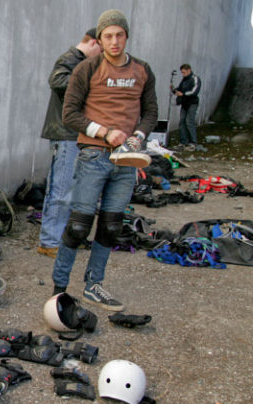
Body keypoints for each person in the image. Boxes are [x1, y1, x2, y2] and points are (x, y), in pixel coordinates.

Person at [52, 9, 158, 311]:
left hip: (127, 160)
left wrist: (137, 136)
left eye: (119, 35)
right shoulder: (87, 69)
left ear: (126, 36)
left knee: (111, 226)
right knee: (78, 225)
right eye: (108, 36)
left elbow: (150, 112)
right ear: (100, 38)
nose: (114, 41)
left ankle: (93, 285)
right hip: (94, 155)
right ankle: (59, 288)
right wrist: (105, 132)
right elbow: (69, 114)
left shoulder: (142, 70)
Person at [38, 28, 103, 258]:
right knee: (61, 190)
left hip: (75, 135)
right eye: (102, 50)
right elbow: (56, 81)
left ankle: (62, 239)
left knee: (72, 192)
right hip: (65, 136)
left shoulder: (80, 62)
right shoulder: (70, 59)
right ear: (94, 43)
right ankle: (49, 241)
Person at [171, 63, 202, 151]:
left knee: (189, 121)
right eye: (182, 73)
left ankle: (193, 142)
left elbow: (194, 91)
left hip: (192, 103)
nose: (183, 74)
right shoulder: (184, 80)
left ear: (189, 70)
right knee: (182, 122)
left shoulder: (195, 79)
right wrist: (174, 90)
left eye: (184, 72)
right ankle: (183, 142)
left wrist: (183, 94)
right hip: (184, 103)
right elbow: (180, 89)